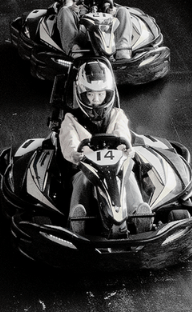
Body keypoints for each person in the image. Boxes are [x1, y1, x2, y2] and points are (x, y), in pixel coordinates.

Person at [54, 61, 138, 219]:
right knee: (82, 180)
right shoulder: (71, 119)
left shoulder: (116, 114)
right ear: (81, 93)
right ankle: (77, 219)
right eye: (91, 94)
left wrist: (122, 147)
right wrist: (78, 152)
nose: (96, 100)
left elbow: (123, 133)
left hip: (115, 167)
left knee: (129, 174)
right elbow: (69, 141)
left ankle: (139, 213)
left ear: (108, 93)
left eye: (101, 94)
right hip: (85, 168)